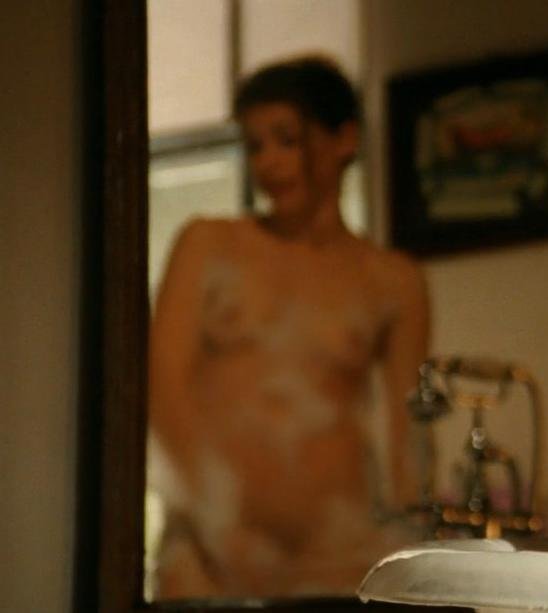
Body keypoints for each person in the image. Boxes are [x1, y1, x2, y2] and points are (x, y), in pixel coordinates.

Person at [148, 56, 430, 597]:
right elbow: (162, 393)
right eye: (254, 146)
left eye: (287, 140)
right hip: (208, 554)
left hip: (337, 555)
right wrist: (216, 523)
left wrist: (412, 554)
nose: (268, 164)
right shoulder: (207, 246)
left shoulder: (393, 280)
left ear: (344, 139)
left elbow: (408, 437)